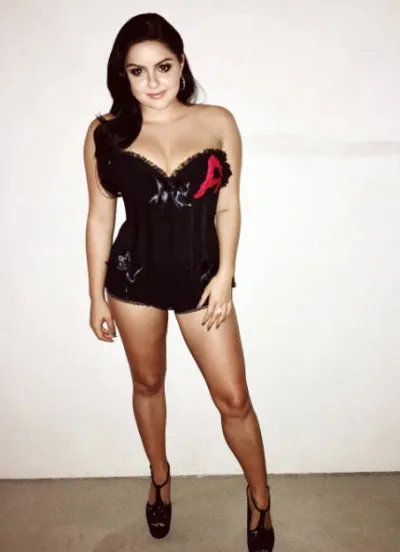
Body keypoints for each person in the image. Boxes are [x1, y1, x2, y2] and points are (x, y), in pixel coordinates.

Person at [83, 12, 275, 552]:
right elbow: (100, 217)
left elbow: (228, 206)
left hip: (201, 281)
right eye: (138, 71)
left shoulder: (217, 122)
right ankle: (160, 479)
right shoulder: (105, 133)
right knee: (148, 384)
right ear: (123, 75)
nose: (153, 82)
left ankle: (260, 497)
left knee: (234, 399)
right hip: (132, 281)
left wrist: (225, 276)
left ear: (181, 64)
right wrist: (95, 294)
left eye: (163, 67)